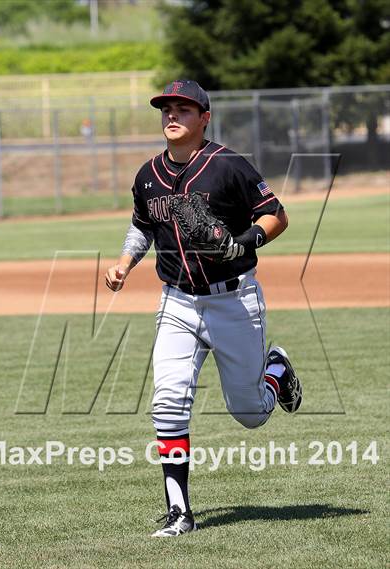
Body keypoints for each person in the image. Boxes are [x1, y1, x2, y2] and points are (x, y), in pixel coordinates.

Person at [105, 80, 303, 537]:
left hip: (234, 300)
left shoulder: (228, 165)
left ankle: (276, 370)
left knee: (250, 413)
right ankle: (180, 513)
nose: (172, 116)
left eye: (184, 109)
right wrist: (123, 263)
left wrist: (242, 244)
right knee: (168, 401)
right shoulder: (148, 174)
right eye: (167, 109)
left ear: (204, 118)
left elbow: (276, 214)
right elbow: (142, 226)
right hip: (177, 301)